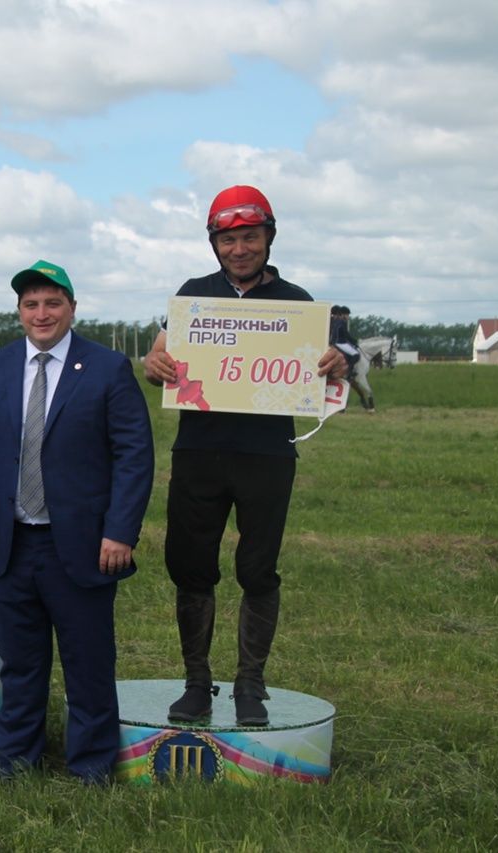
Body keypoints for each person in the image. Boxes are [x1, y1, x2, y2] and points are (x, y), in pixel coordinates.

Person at [142, 185, 349, 727]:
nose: (239, 249)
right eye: (229, 239)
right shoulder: (193, 294)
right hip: (199, 450)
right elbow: (158, 355)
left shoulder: (298, 302)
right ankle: (195, 683)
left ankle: (250, 685)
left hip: (267, 454)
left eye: (250, 237)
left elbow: (330, 362)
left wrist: (336, 364)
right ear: (215, 243)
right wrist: (153, 364)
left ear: (268, 238)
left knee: (257, 570)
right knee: (191, 567)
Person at [0, 260, 153, 783]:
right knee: (20, 665)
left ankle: (91, 766)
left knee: (88, 663)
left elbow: (134, 455)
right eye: (31, 304)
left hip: (84, 546)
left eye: (52, 303)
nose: (42, 314)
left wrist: (120, 531)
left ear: (72, 308)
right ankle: (16, 762)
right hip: (9, 543)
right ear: (19, 312)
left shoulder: (108, 368)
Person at [330, 305, 374, 412]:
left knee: (352, 351)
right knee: (355, 354)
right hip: (339, 343)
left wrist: (352, 342)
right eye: (347, 315)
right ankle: (350, 372)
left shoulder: (337, 321)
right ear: (344, 314)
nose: (348, 317)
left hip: (339, 342)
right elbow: (346, 335)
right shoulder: (342, 322)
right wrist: (354, 341)